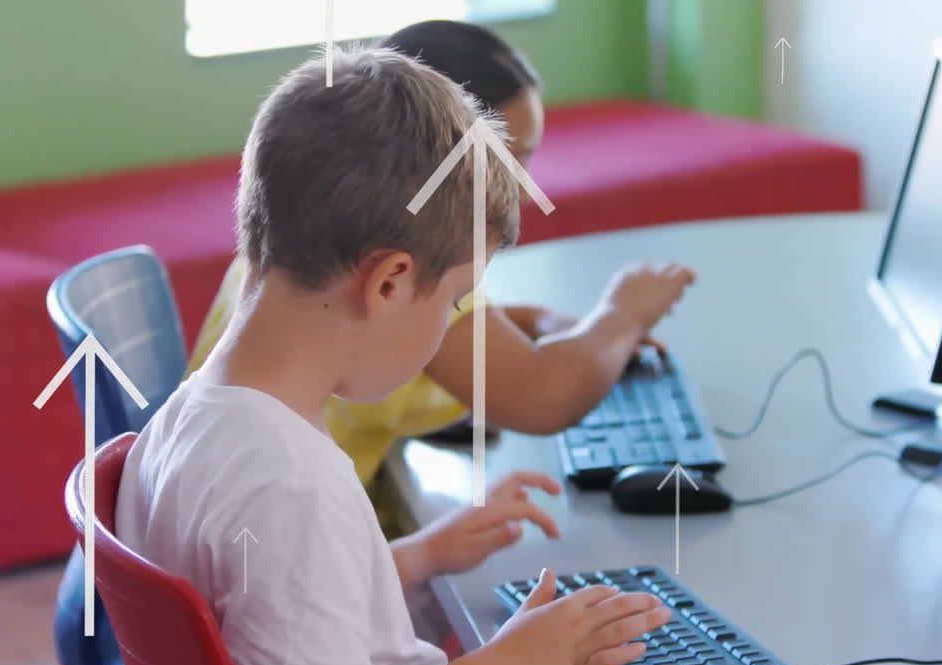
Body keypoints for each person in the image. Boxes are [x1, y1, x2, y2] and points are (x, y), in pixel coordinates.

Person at [117, 48, 674, 665]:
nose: (447, 326)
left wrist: (415, 557)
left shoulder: (188, 420)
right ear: (388, 282)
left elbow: (259, 611)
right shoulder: (293, 487)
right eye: (454, 299)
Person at [188, 20, 696, 536]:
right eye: (509, 161)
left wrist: (538, 319)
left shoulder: (294, 245)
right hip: (335, 541)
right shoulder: (299, 484)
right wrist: (624, 311)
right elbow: (545, 393)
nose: (520, 188)